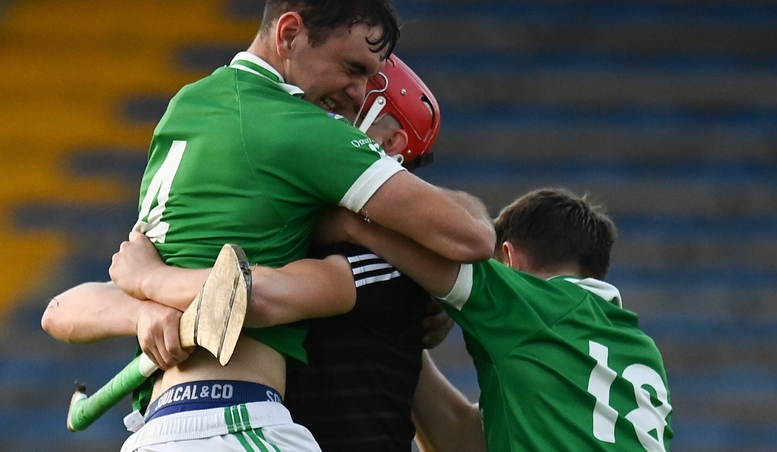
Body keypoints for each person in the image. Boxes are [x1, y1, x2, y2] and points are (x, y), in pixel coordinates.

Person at [42, 23, 483, 449]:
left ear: (389, 148)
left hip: (246, 426)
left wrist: (151, 283)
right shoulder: (272, 216)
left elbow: (250, 296)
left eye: (350, 108)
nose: (325, 113)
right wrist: (143, 312)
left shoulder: (384, 254)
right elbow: (63, 308)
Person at [319, 187, 674, 451]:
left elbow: (444, 252)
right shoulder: (641, 350)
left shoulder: (534, 305)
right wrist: (401, 335)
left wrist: (351, 226)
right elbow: (462, 438)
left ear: (508, 257)